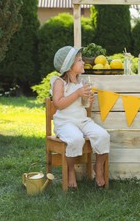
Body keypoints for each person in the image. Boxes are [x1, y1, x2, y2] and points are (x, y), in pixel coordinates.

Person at [50, 46, 110, 189]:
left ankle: (99, 167)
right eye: (79, 60)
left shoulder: (81, 82)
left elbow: (83, 106)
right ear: (69, 66)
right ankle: (71, 170)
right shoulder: (59, 82)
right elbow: (58, 104)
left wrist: (88, 100)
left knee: (103, 136)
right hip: (65, 123)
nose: (83, 62)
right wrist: (77, 94)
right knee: (76, 138)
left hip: (82, 121)